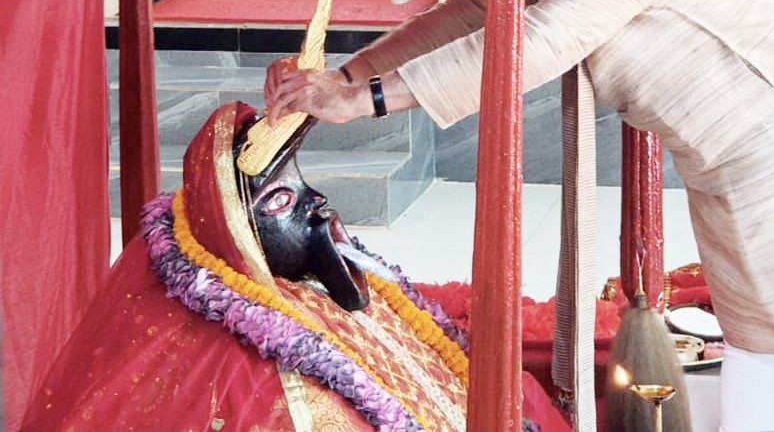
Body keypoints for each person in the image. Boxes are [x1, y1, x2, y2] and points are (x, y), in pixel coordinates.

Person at [267, 0, 774, 432]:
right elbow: (480, 9)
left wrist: (363, 100)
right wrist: (349, 77)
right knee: (759, 326)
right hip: (725, 157)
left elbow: (538, 43)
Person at [21, 102, 564, 432]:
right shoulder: (259, 383)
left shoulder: (320, 290)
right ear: (238, 239)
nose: (317, 202)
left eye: (301, 183)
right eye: (282, 201)